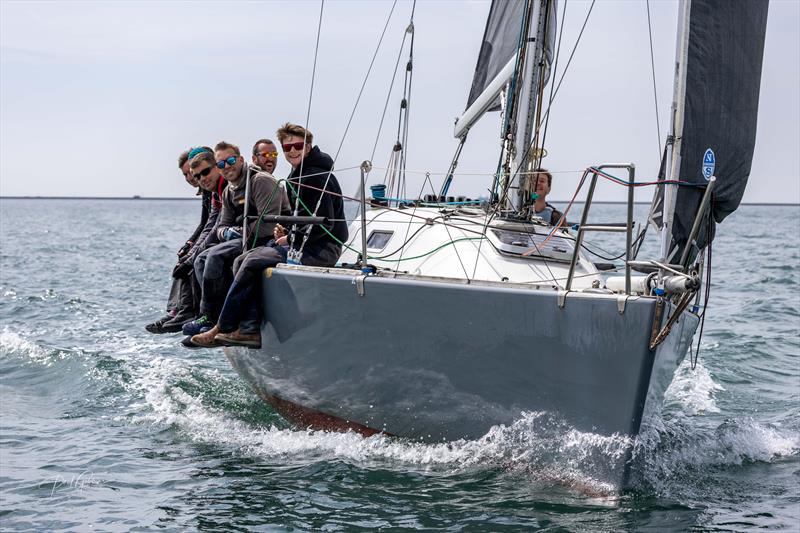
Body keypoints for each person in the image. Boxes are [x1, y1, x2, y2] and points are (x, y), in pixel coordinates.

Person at [190, 123, 347, 348]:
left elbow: (323, 224)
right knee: (243, 258)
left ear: (309, 146)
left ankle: (223, 326)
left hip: (322, 250)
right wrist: (289, 233)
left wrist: (290, 238)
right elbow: (305, 221)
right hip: (306, 245)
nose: (292, 151)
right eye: (287, 148)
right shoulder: (301, 172)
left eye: (298, 146)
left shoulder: (312, 175)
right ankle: (248, 328)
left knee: (251, 259)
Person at [182, 140, 289, 338]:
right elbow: (220, 227)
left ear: (240, 159)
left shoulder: (260, 181)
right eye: (221, 164)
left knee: (215, 256)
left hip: (267, 238)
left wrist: (238, 231)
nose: (226, 166)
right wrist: (228, 232)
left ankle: (217, 321)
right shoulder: (228, 190)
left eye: (230, 160)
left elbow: (268, 224)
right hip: (245, 237)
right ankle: (209, 318)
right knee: (201, 259)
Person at [145, 149, 211, 334]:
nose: (190, 178)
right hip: (210, 233)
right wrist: (189, 244)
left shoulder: (211, 189)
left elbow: (212, 224)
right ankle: (176, 310)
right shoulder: (206, 191)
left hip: (217, 237)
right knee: (183, 258)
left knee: (191, 261)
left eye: (192, 173)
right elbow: (204, 223)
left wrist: (193, 250)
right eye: (186, 174)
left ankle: (189, 311)